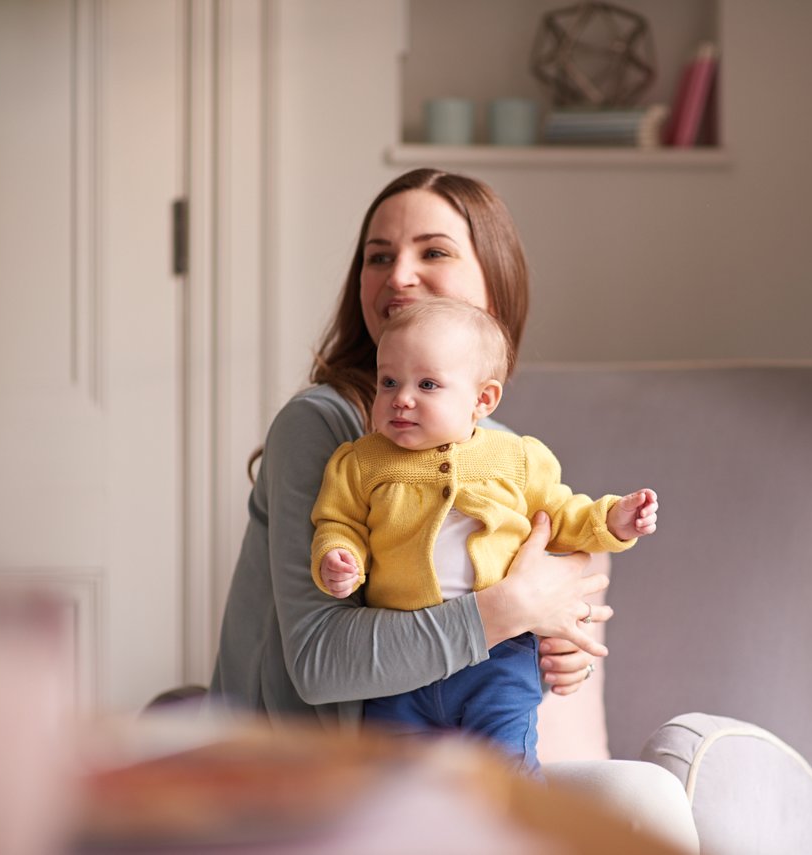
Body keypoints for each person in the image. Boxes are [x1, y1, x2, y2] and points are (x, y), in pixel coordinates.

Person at [209, 168, 614, 732]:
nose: (398, 276)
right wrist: (509, 609)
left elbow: (479, 646)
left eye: (434, 253)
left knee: (644, 798)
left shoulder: (499, 452)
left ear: (493, 285)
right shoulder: (321, 425)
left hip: (439, 765)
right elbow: (320, 663)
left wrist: (552, 652)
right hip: (292, 776)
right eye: (378, 258)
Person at [312, 297, 658, 771]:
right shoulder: (361, 462)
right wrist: (337, 556)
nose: (401, 397)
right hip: (402, 665)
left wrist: (613, 519)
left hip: (499, 659)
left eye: (427, 384)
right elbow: (339, 522)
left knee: (507, 772)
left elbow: (560, 514)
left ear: (483, 400)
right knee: (392, 787)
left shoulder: (516, 458)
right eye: (388, 382)